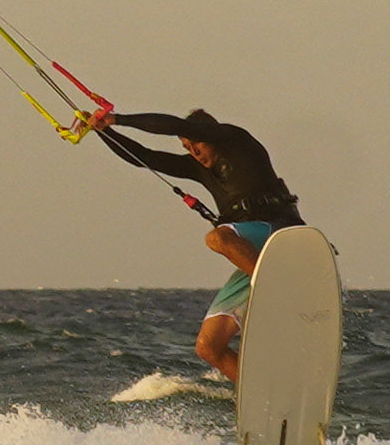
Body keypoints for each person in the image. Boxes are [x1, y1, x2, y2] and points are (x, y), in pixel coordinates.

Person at [89, 107, 303, 382]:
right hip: (253, 257)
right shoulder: (198, 169)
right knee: (208, 347)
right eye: (186, 147)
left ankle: (282, 294)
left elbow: (173, 124)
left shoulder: (236, 141)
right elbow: (144, 157)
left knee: (218, 238)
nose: (194, 153)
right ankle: (266, 395)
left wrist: (119, 119)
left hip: (280, 231)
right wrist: (104, 132)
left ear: (210, 136)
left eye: (196, 143)